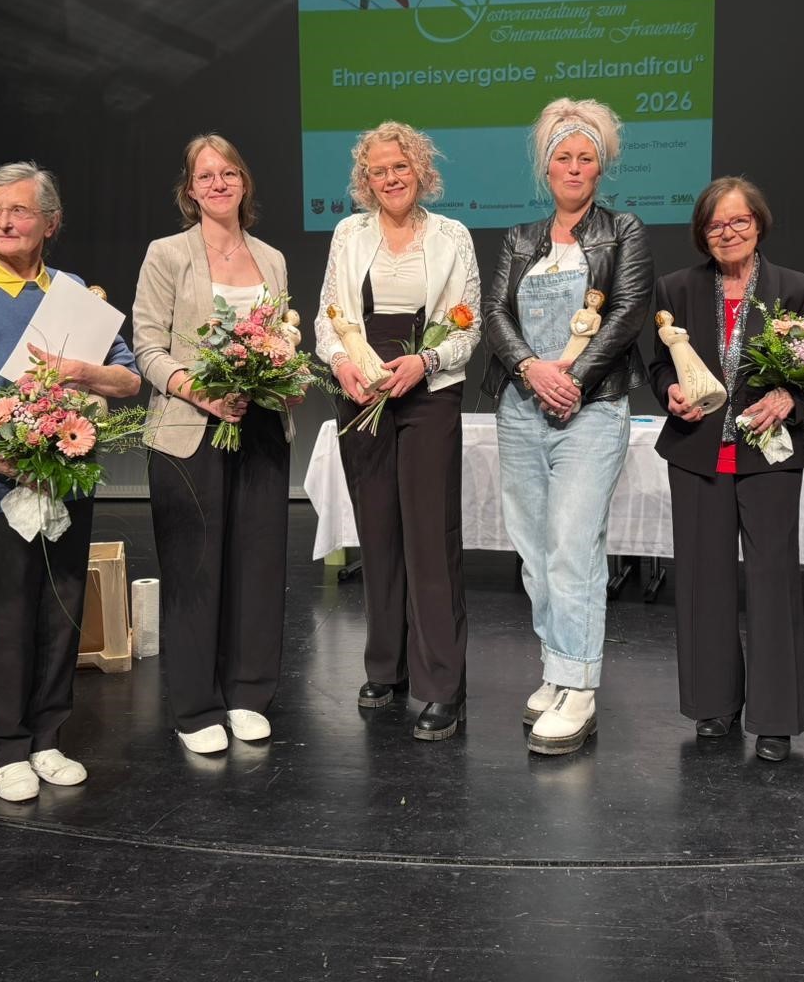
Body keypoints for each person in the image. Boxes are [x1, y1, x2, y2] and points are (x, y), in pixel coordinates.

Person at [0, 162, 139, 800]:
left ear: (51, 222)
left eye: (18, 211)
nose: (3, 223)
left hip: (68, 481)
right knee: (5, 620)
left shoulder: (73, 294)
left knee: (62, 611)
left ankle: (47, 738)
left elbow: (127, 379)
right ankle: (7, 748)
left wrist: (79, 372)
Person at [482, 97, 653, 755]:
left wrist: (572, 378)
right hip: (522, 407)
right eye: (563, 157)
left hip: (593, 408)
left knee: (573, 547)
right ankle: (556, 669)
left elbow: (629, 310)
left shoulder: (624, 229)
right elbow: (496, 313)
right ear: (546, 168)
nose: (574, 167)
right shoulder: (520, 238)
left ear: (599, 167)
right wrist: (532, 370)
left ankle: (579, 687)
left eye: (586, 158)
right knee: (533, 550)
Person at [317, 122, 481, 740]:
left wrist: (426, 361)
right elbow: (329, 317)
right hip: (361, 391)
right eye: (378, 170)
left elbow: (468, 325)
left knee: (430, 539)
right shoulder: (348, 234)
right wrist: (341, 363)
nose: (391, 178)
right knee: (378, 532)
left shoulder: (452, 236)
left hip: (427, 391)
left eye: (401, 167)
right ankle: (385, 666)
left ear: (420, 171)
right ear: (366, 179)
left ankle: (442, 685)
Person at [132, 135, 292, 754]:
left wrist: (285, 377)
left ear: (244, 182)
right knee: (194, 570)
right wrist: (204, 394)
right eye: (206, 176)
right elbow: (147, 347)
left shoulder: (271, 259)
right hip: (188, 429)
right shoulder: (166, 254)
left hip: (261, 426)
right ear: (190, 190)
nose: (218, 183)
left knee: (258, 566)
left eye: (228, 173)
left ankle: (249, 694)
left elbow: (280, 338)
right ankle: (196, 708)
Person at [650, 178, 804, 762]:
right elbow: (658, 366)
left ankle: (775, 719)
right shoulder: (675, 288)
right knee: (703, 580)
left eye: (739, 221)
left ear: (759, 223)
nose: (728, 232)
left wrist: (790, 398)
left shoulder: (796, 289)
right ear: (702, 233)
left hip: (768, 454)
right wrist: (669, 391)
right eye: (715, 224)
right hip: (698, 453)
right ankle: (714, 704)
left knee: (773, 583)